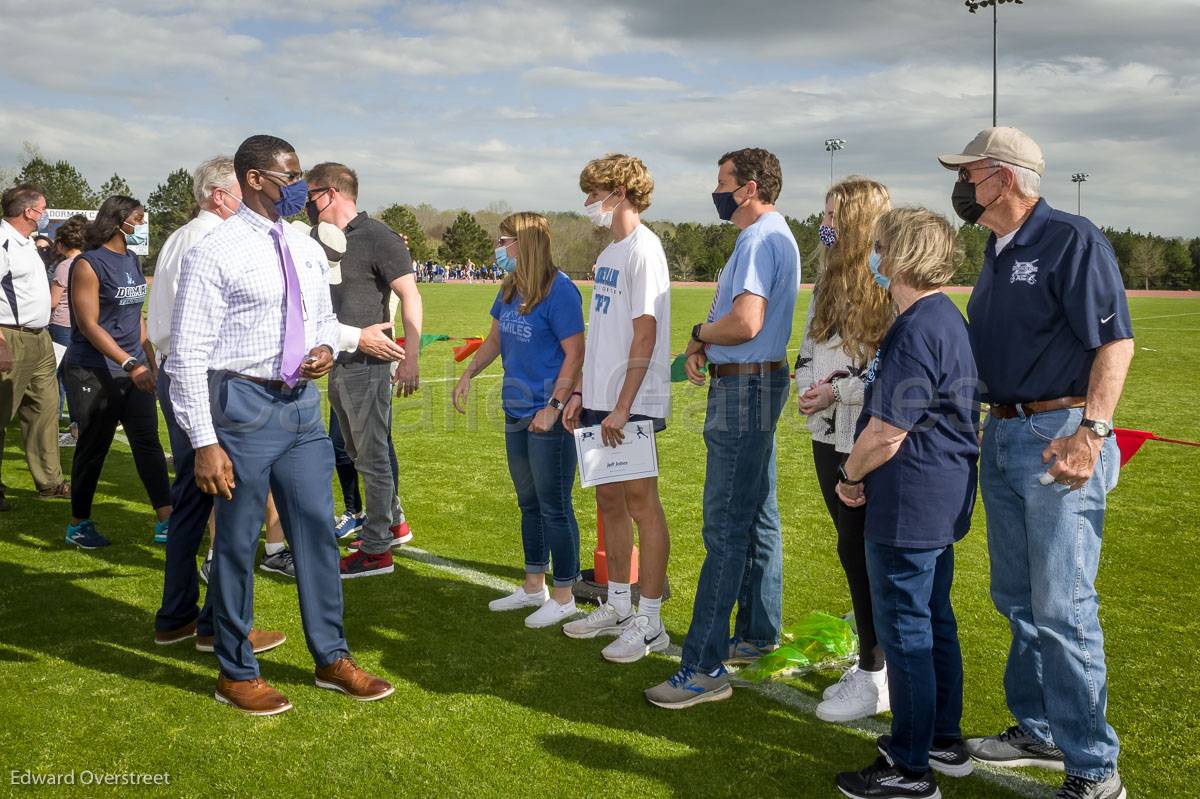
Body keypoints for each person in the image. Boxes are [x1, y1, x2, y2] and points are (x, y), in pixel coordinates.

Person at [167, 134, 391, 714]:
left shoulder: (306, 246)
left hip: (299, 409)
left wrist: (323, 348)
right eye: (288, 175)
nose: (299, 187)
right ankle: (235, 670)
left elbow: (319, 320)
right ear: (252, 179)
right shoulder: (212, 250)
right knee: (238, 542)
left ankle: (331, 657)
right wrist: (204, 441)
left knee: (316, 530)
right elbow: (188, 355)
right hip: (239, 406)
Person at [939, 127, 1133, 799]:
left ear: (1008, 178)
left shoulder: (1071, 239)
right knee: (1017, 596)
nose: (963, 186)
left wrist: (1092, 433)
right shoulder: (995, 246)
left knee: (1063, 602)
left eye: (972, 174)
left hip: (1057, 434)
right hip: (1005, 432)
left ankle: (1094, 767)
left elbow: (1116, 344)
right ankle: (1042, 727)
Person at [831, 208, 980, 799]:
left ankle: (910, 765)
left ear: (901, 256)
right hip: (937, 493)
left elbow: (887, 431)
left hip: (911, 498)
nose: (875, 257)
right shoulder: (943, 317)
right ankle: (942, 737)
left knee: (908, 630)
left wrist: (849, 474)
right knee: (933, 618)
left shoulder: (920, 325)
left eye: (881, 247)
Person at [645, 148, 799, 709]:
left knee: (726, 528)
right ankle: (758, 634)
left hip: (745, 386)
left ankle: (703, 666)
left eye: (723, 182)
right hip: (758, 380)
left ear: (750, 187)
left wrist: (699, 331)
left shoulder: (760, 238)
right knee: (758, 511)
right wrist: (704, 340)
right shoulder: (775, 233)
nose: (716, 191)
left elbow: (746, 321)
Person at [150, 155, 286, 652]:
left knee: (192, 499)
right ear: (218, 195)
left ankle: (179, 616)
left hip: (179, 372)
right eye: (240, 195)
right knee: (227, 498)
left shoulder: (181, 237)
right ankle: (217, 625)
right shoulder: (211, 241)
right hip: (206, 378)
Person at [561, 154, 672, 664]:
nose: (589, 204)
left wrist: (624, 406)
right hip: (600, 400)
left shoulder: (644, 251)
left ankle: (651, 620)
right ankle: (620, 605)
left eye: (594, 194)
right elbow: (604, 334)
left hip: (632, 402)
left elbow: (644, 334)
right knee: (608, 504)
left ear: (620, 193)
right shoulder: (610, 253)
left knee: (641, 503)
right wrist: (582, 392)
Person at [452, 212, 585, 629]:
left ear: (524, 244)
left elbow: (575, 353)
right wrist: (469, 373)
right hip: (516, 412)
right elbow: (494, 339)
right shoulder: (510, 288)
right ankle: (533, 586)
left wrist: (555, 406)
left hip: (549, 417)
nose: (498, 247)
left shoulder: (561, 291)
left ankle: (564, 595)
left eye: (503, 240)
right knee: (528, 503)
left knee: (555, 506)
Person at [795, 177, 894, 723]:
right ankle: (873, 663)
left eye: (832, 212)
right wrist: (808, 385)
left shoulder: (887, 286)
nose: (823, 222)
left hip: (868, 437)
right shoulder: (827, 281)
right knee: (848, 547)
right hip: (826, 434)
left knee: (864, 553)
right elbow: (811, 348)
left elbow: (888, 372)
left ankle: (878, 673)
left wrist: (840, 390)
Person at [303, 162, 417, 578]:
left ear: (331, 193)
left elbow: (410, 294)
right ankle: (393, 523)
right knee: (354, 451)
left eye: (310, 194)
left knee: (371, 458)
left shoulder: (378, 236)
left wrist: (412, 355)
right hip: (338, 358)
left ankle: (376, 551)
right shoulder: (316, 239)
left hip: (369, 363)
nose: (305, 204)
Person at [62, 195, 171, 548]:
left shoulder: (132, 260)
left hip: (133, 369)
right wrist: (130, 362)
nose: (140, 225)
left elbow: (134, 318)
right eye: (137, 218)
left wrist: (149, 361)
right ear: (119, 219)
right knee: (94, 447)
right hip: (93, 369)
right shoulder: (87, 264)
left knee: (147, 443)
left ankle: (167, 521)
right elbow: (89, 325)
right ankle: (79, 525)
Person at [0, 185, 71, 512]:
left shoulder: (26, 242)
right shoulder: (3, 242)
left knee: (45, 407)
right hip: (10, 336)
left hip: (39, 337)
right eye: (42, 208)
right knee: (2, 413)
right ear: (28, 211)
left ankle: (50, 482)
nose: (45, 214)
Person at [48, 215, 88, 445]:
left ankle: (51, 428)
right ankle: (77, 428)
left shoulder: (64, 266)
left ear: (62, 244)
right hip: (79, 325)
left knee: (57, 379)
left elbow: (53, 301)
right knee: (74, 378)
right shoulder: (87, 261)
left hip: (61, 325)